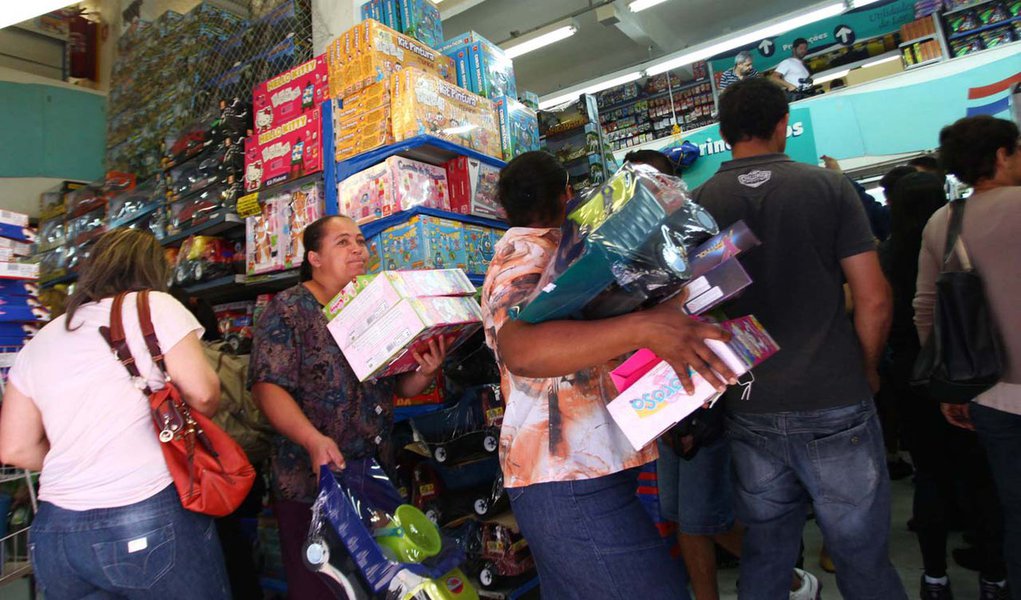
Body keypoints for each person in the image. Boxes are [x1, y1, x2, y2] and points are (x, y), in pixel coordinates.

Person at [481, 151, 740, 600]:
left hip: (577, 472)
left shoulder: (570, 252)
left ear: (503, 208)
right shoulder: (528, 254)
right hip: (567, 478)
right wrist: (644, 326)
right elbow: (520, 349)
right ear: (569, 194)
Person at [693, 78, 906, 600]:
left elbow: (699, 309)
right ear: (783, 125)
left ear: (723, 132)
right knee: (861, 556)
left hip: (750, 403)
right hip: (835, 394)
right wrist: (869, 367)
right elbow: (874, 296)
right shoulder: (828, 188)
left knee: (765, 553)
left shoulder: (699, 205)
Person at [627, 148, 821, 600]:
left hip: (706, 394)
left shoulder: (696, 234)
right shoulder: (633, 244)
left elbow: (724, 308)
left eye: (651, 182)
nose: (641, 193)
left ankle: (790, 580)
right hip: (664, 396)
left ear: (672, 186)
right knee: (681, 514)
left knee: (700, 516)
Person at [0, 229, 231, 599]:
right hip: (143, 514)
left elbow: (13, 449)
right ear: (155, 271)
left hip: (57, 533)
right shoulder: (153, 305)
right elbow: (204, 394)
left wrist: (83, 459)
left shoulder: (41, 340)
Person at [249, 215, 447, 599]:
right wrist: (312, 440)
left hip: (374, 479)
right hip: (313, 486)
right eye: (342, 242)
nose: (357, 248)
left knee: (384, 585)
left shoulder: (368, 306)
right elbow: (267, 387)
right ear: (314, 257)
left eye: (359, 240)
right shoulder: (289, 309)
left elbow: (400, 384)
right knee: (324, 586)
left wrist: (426, 371)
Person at [882, 171, 1007, 600]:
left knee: (930, 476)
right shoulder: (959, 245)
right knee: (981, 479)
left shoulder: (884, 254)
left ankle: (934, 579)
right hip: (967, 371)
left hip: (912, 377)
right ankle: (994, 577)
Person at [915, 115, 1021, 599]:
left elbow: (927, 308)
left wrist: (949, 386)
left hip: (988, 390)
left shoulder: (943, 222)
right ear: (1000, 155)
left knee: (1014, 508)